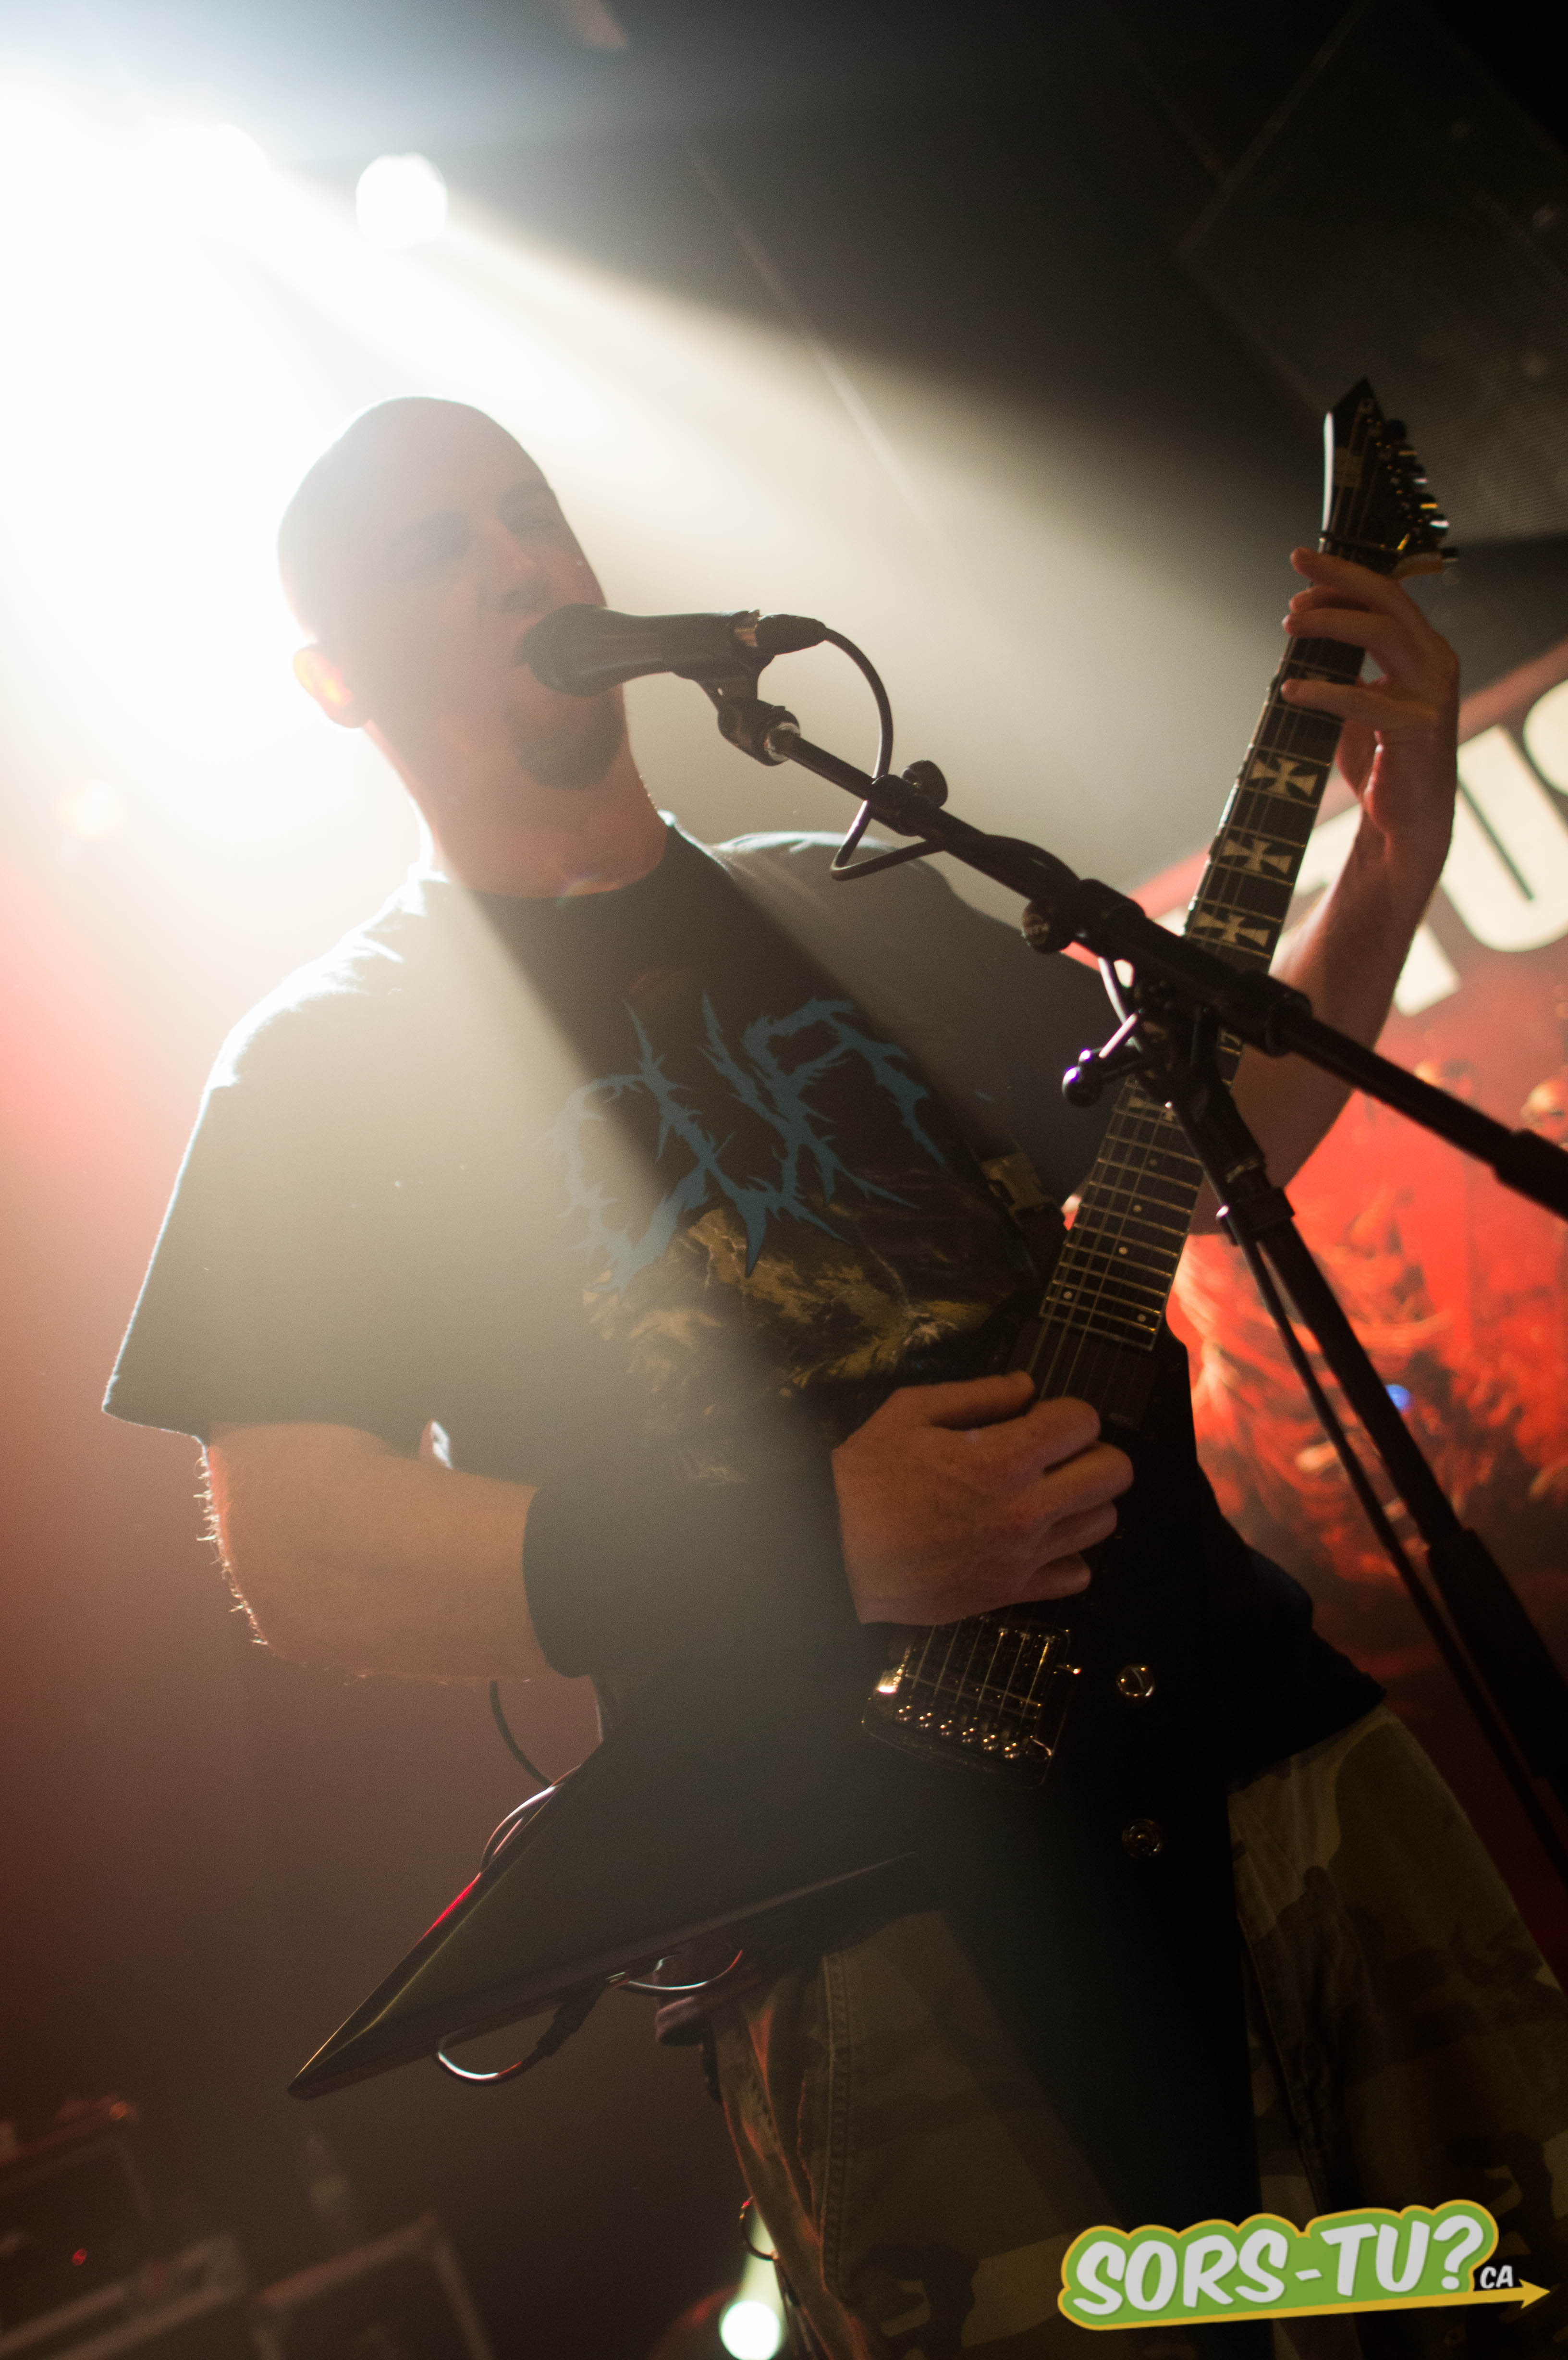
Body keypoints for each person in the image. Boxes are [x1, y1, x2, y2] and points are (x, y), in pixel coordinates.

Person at [106, 398, 1568, 2359]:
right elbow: (298, 1547)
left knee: (1506, 2288)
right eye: (434, 548)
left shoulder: (852, 884)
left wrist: (1390, 859)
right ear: (331, 678)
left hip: (1272, 1745)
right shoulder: (328, 1063)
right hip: (881, 1896)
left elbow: (1196, 1154)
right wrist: (819, 1541)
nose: (518, 561)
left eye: (530, 513)